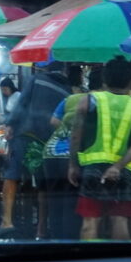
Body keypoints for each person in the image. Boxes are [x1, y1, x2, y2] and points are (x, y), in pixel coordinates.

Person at [68, 57, 131, 241]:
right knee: (119, 219)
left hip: (92, 169)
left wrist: (73, 165)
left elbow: (75, 136)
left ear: (104, 80)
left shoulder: (88, 101)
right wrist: (118, 166)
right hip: (125, 171)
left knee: (90, 220)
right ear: (130, 81)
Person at [1, 67, 70, 235]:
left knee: (12, 175)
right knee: (43, 185)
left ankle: (6, 221)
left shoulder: (37, 79)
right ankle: (41, 228)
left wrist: (10, 124)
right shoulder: (68, 90)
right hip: (47, 140)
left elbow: (22, 103)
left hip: (25, 133)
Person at [43, 68, 103, 240]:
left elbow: (54, 121)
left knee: (55, 201)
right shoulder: (100, 102)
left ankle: (55, 241)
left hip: (51, 152)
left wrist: (66, 130)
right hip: (72, 155)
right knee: (71, 203)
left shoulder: (70, 98)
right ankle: (68, 245)